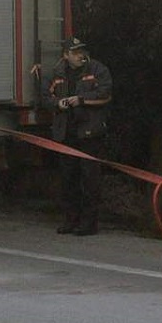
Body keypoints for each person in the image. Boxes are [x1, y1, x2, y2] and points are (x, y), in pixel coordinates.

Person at [43, 36, 113, 236]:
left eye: (81, 51)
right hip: (66, 134)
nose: (80, 55)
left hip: (90, 134)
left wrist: (81, 100)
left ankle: (89, 223)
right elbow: (46, 97)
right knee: (68, 179)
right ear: (66, 55)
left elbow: (105, 93)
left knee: (90, 180)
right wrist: (59, 103)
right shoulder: (57, 73)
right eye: (75, 52)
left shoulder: (97, 69)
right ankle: (70, 221)